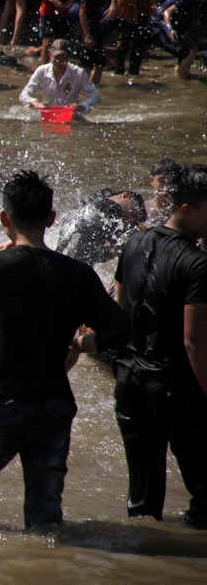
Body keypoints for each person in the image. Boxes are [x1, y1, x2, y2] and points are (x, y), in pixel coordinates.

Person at [0, 171, 128, 528]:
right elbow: (120, 331)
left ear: (4, 218)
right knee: (45, 517)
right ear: (51, 219)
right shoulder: (78, 273)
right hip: (52, 406)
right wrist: (79, 344)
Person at [113, 164, 207, 528]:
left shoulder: (135, 241)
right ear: (186, 210)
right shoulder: (198, 265)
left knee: (142, 500)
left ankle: (142, 563)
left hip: (130, 382)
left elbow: (121, 312)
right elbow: (194, 342)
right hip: (175, 387)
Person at [54, 187, 147, 266]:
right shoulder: (114, 210)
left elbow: (93, 254)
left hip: (59, 257)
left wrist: (114, 251)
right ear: (126, 195)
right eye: (133, 212)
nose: (129, 218)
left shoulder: (95, 199)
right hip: (76, 268)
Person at [18, 39, 101, 115]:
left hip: (72, 116)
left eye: (64, 58)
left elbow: (96, 95)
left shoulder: (78, 72)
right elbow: (24, 95)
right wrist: (36, 104)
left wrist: (82, 106)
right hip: (47, 115)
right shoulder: (41, 71)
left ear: (69, 57)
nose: (60, 62)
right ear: (50, 55)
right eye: (57, 58)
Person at [155, 0, 207, 80]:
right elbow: (167, 12)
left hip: (162, 27)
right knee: (189, 53)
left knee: (192, 48)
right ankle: (179, 82)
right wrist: (170, 30)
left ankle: (177, 75)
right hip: (158, 28)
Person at [76, 0, 110, 85]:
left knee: (99, 63)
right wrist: (86, 34)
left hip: (94, 29)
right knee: (88, 65)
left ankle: (92, 92)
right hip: (88, 30)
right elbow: (81, 11)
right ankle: (81, 92)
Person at [148, 158, 182, 226]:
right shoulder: (144, 209)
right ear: (152, 181)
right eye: (161, 181)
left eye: (171, 182)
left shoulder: (183, 211)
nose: (166, 187)